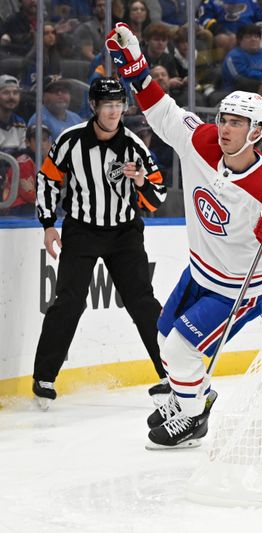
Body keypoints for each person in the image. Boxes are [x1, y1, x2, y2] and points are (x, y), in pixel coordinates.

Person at [106, 22, 262, 448]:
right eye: (225, 119)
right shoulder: (202, 141)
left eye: (238, 123)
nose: (227, 128)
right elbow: (163, 112)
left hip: (241, 290)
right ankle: (194, 395)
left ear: (256, 132)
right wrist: (136, 65)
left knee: (181, 352)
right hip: (200, 273)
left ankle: (194, 418)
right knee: (164, 340)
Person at [31, 77, 168, 411]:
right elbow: (48, 179)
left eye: (119, 104)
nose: (114, 111)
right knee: (68, 301)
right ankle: (44, 377)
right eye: (107, 104)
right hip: (82, 231)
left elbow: (158, 194)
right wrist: (49, 224)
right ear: (93, 106)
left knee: (143, 302)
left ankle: (172, 374)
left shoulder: (134, 144)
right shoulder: (70, 141)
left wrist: (140, 182)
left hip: (124, 233)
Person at [2, 124, 51, 216]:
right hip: (17, 209)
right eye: (37, 140)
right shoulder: (23, 163)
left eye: (44, 140)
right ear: (27, 142)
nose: (41, 144)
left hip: (31, 206)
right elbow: (30, 195)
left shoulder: (45, 161)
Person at [221, 24, 262, 94]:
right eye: (248, 37)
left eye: (256, 37)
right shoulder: (234, 56)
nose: (253, 39)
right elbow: (241, 76)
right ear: (240, 40)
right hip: (242, 94)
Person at [0, 75, 26, 153]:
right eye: (6, 93)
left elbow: (22, 156)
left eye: (15, 93)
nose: (11, 97)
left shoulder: (20, 123)